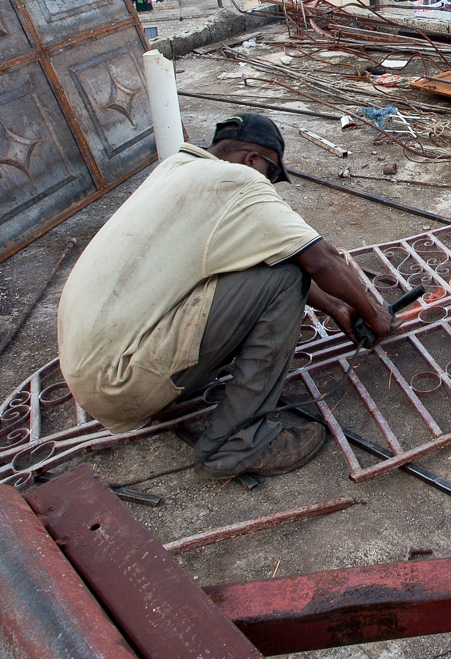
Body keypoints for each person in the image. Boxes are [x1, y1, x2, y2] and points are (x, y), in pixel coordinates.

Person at [56, 113, 392, 479]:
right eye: (274, 174)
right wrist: (373, 315)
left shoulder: (176, 169)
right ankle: (237, 444)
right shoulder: (240, 181)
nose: (273, 185)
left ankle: (176, 393)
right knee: (285, 275)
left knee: (260, 263)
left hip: (92, 376)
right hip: (123, 381)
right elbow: (318, 258)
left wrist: (335, 306)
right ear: (253, 160)